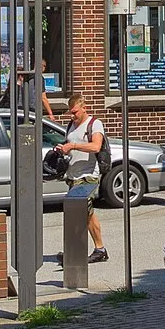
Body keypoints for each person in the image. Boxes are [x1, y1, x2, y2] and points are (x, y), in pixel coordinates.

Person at [61, 91, 109, 263]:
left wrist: (73, 145)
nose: (72, 115)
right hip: (73, 176)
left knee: (80, 211)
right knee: (87, 213)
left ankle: (75, 252)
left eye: (75, 112)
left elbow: (96, 146)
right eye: (70, 112)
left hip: (88, 175)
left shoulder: (95, 124)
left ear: (84, 108)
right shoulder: (71, 126)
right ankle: (100, 248)